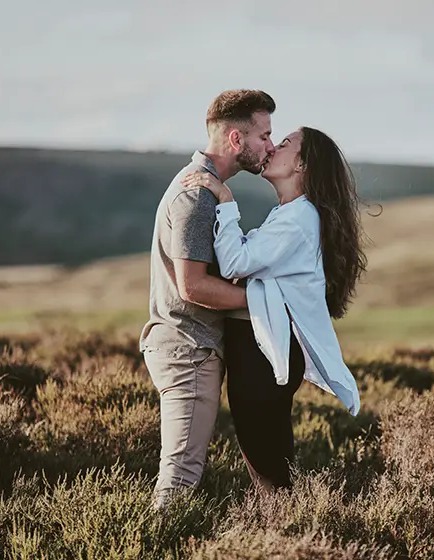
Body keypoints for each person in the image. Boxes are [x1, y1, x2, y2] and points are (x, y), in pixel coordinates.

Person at [180, 126, 366, 490]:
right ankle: (292, 522)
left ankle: (289, 526)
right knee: (272, 467)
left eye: (283, 144)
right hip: (259, 355)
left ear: (302, 164)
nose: (271, 149)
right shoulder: (290, 214)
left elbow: (235, 263)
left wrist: (224, 198)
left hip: (260, 360)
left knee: (268, 474)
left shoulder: (298, 219)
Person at [139, 89, 276, 509]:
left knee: (182, 474)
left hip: (189, 347)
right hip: (188, 350)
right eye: (264, 136)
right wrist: (264, 301)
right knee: (180, 478)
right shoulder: (196, 196)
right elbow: (193, 287)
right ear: (236, 139)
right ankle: (154, 540)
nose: (270, 147)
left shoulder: (208, 189)